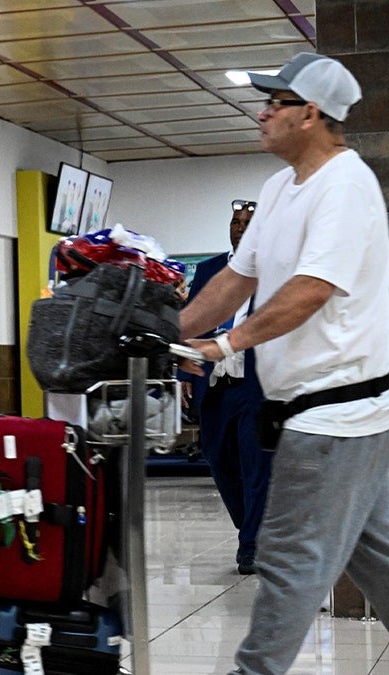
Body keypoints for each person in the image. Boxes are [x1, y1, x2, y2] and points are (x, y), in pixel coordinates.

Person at [178, 53, 389, 675]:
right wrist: (170, 328)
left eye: (275, 102)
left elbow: (310, 289)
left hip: (335, 412)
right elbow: (237, 279)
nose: (263, 113)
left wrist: (227, 344)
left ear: (312, 113)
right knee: (374, 552)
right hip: (324, 412)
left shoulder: (346, 187)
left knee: (290, 560)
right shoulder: (277, 189)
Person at [179, 199, 271, 575]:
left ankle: (250, 545)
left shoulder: (274, 271)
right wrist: (184, 376)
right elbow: (195, 322)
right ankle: (250, 529)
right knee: (221, 464)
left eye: (248, 221)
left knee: (256, 466)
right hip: (215, 386)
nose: (240, 227)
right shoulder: (210, 270)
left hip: (257, 385)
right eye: (235, 221)